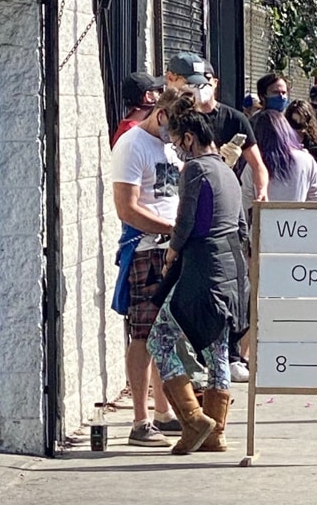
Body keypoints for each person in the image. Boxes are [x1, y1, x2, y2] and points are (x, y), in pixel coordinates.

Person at [146, 95, 249, 454]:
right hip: (232, 271)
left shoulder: (195, 170)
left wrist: (173, 251)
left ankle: (193, 419)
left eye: (177, 142)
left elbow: (186, 221)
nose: (177, 148)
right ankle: (216, 433)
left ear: (188, 138)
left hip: (202, 269)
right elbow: (241, 226)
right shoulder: (226, 170)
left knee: (158, 338)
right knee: (219, 348)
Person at [111, 88, 185, 447]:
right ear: (160, 114)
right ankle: (140, 420)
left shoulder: (169, 147)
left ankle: (162, 411)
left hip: (170, 248)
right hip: (146, 250)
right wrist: (170, 229)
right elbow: (126, 208)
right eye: (174, 126)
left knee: (165, 334)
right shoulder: (132, 144)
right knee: (142, 332)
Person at [165, 53, 269, 203]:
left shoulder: (235, 120)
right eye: (193, 82)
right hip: (182, 196)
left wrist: (261, 193)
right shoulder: (174, 117)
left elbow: (258, 165)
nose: (200, 87)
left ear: (214, 82)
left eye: (205, 80)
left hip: (222, 196)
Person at [241, 109, 317, 210]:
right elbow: (316, 201)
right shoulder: (307, 160)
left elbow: (245, 202)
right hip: (298, 224)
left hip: (264, 223)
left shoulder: (255, 165)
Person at [111, 71, 165, 147]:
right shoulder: (133, 132)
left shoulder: (128, 127)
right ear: (148, 96)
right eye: (157, 91)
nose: (160, 95)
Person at [285, 99, 317, 169]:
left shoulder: (316, 136)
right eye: (294, 123)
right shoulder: (283, 135)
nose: (299, 128)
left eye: (302, 123)